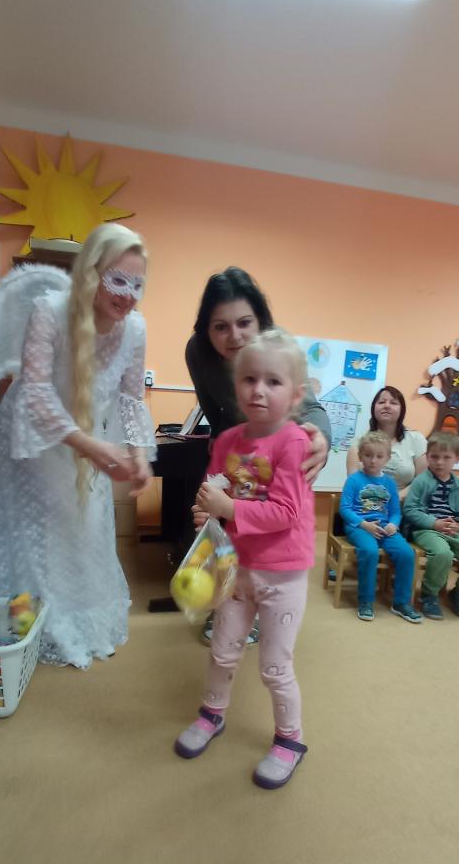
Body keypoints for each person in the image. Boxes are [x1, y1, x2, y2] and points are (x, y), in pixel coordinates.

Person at [0, 222, 156, 668]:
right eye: (118, 280)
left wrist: (138, 454)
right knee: (44, 529)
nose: (128, 295)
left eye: (137, 285)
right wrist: (92, 448)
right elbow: (37, 393)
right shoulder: (49, 311)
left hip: (87, 435)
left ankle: (81, 622)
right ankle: (40, 626)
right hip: (37, 431)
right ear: (90, 273)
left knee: (86, 524)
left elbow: (130, 397)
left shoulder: (135, 329)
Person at [175, 328, 315, 790]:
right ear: (236, 386)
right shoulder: (227, 440)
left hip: (282, 576)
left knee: (275, 666)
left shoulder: (293, 442)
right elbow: (216, 486)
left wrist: (230, 508)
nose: (259, 390)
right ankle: (212, 714)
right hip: (236, 568)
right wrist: (206, 509)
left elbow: (286, 511)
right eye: (249, 379)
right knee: (222, 651)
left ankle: (290, 739)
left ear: (295, 394)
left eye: (273, 382)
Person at [185, 266, 331, 644]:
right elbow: (214, 408)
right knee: (218, 524)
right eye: (220, 327)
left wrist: (322, 440)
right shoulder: (198, 351)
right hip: (235, 448)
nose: (234, 336)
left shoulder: (277, 348)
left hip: (273, 451)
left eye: (244, 323)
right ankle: (226, 601)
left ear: (260, 321)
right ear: (206, 329)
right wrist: (220, 455)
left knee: (266, 531)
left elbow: (313, 410)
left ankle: (267, 606)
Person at [340, 430, 422, 623]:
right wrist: (364, 524)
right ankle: (366, 601)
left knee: (406, 553)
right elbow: (345, 509)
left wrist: (393, 524)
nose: (373, 461)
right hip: (359, 526)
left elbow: (395, 511)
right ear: (361, 456)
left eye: (379, 456)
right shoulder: (354, 480)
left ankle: (401, 603)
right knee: (369, 552)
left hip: (384, 527)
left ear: (387, 458)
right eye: (368, 455)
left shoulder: (390, 483)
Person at [402, 431, 459, 620]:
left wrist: (457, 526)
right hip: (426, 529)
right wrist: (434, 523)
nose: (440, 462)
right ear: (427, 457)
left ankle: (456, 593)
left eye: (446, 457)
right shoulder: (421, 481)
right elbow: (410, 510)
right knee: (442, 553)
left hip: (452, 529)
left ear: (456, 459)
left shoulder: (457, 485)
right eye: (434, 457)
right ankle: (429, 595)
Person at [346, 386, 427, 498]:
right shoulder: (358, 443)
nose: (387, 406)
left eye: (393, 403)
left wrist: (395, 499)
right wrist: (375, 502)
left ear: (402, 410)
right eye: (381, 402)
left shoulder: (416, 439)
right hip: (366, 503)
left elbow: (421, 480)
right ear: (373, 408)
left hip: (404, 504)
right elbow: (353, 483)